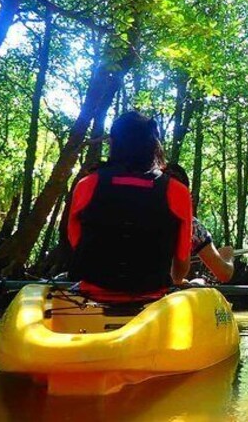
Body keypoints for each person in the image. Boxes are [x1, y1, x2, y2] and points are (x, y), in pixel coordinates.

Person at [66, 111, 193, 302]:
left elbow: (77, 242)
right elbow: (182, 263)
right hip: (151, 298)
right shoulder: (178, 191)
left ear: (113, 143)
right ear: (153, 145)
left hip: (93, 295)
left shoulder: (86, 184)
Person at [164, 163, 235, 283]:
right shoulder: (193, 226)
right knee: (198, 282)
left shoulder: (131, 211)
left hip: (129, 289)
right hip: (160, 292)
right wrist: (227, 257)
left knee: (196, 281)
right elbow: (224, 274)